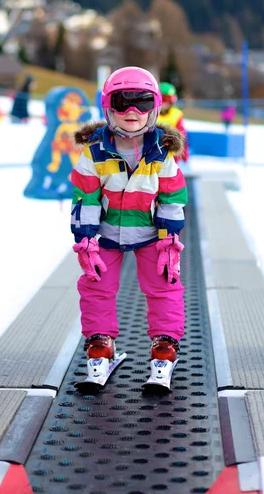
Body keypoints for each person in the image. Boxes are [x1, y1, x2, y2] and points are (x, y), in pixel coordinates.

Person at [71, 66, 187, 384]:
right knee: (96, 286)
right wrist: (85, 238)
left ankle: (164, 346)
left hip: (151, 234)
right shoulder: (94, 153)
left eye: (143, 102)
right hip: (106, 233)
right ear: (109, 106)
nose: (133, 111)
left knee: (163, 286)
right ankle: (100, 346)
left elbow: (173, 194)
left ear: (156, 107)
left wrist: (169, 236)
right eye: (124, 102)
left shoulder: (162, 154)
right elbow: (86, 196)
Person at [157, 82, 189, 162]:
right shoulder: (151, 113)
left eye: (167, 100)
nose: (164, 103)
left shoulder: (176, 114)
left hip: (171, 152)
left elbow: (182, 134)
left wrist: (184, 153)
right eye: (162, 99)